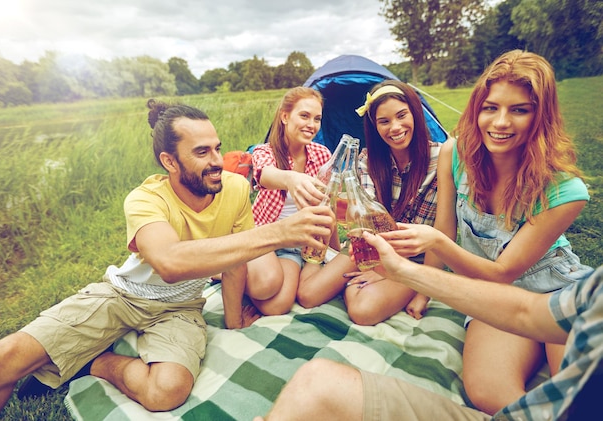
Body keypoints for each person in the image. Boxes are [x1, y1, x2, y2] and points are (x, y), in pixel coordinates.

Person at [0, 100, 335, 420]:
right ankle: (64, 355)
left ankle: (89, 363)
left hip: (180, 307)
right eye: (201, 152)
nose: (216, 162)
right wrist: (279, 233)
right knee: (5, 356)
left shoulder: (236, 189)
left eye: (217, 148)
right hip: (122, 296)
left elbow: (234, 260)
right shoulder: (144, 198)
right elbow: (170, 262)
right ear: (169, 161)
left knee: (166, 392)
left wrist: (233, 320)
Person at [377, 49, 594, 414]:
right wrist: (423, 291)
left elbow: (503, 270)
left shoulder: (566, 190)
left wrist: (435, 244)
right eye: (491, 107)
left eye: (519, 110)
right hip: (489, 294)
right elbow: (445, 227)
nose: (501, 122)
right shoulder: (455, 154)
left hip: (556, 288)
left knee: (577, 387)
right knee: (487, 390)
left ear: (541, 115)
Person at [254, 231, 601, 421]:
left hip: (541, 277)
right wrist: (406, 274)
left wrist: (424, 258)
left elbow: (505, 274)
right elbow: (529, 313)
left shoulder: (439, 160)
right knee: (314, 381)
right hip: (514, 300)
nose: (500, 123)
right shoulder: (593, 297)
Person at [297, 80, 442, 325]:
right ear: (374, 126)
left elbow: (442, 230)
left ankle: (353, 283)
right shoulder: (367, 160)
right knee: (307, 295)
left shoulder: (441, 158)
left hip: (413, 259)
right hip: (370, 248)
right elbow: (366, 222)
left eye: (401, 116)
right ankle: (321, 257)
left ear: (415, 114)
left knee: (363, 311)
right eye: (384, 121)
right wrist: (377, 269)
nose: (395, 127)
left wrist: (421, 292)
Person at [247, 86, 336, 315]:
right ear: (285, 116)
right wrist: (292, 179)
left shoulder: (322, 154)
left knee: (279, 305)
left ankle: (241, 274)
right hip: (267, 237)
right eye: (304, 116)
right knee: (266, 287)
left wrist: (333, 250)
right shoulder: (265, 152)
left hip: (296, 245)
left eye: (317, 119)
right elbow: (265, 176)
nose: (311, 125)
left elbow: (327, 205)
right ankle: (230, 271)